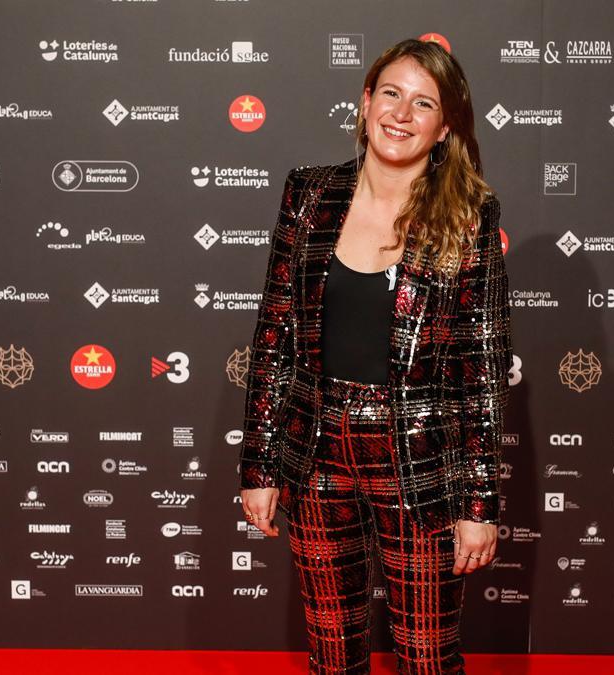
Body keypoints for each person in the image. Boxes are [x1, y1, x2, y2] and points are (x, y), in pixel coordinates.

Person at [238, 37, 511, 674]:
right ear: (365, 103)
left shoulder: (469, 217)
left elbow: (484, 370)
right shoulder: (309, 194)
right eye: (390, 93)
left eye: (424, 103)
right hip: (316, 452)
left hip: (420, 457)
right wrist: (261, 465)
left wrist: (478, 505)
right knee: (332, 652)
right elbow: (275, 333)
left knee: (426, 655)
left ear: (444, 129)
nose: (401, 113)